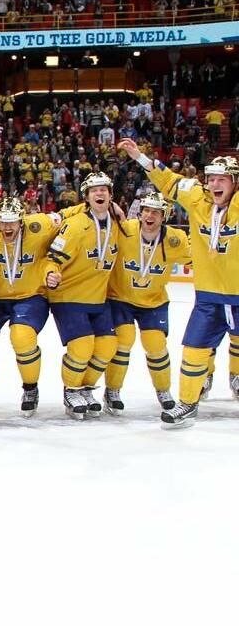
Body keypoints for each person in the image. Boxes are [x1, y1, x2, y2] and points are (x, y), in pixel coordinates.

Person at [119, 139, 239, 427]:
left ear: (234, 182)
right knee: (193, 349)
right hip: (209, 297)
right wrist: (140, 157)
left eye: (222, 179)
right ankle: (187, 403)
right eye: (211, 179)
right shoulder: (197, 198)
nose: (214, 184)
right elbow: (169, 180)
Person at [0, 197, 62, 416]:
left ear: (22, 221)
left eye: (12, 222)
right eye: (3, 222)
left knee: (22, 337)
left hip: (30, 296)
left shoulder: (40, 225)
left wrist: (114, 210)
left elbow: (70, 217)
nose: (7, 227)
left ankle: (30, 389)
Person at [43, 172, 124, 420]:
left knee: (109, 345)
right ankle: (71, 389)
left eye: (104, 190)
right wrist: (50, 274)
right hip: (69, 297)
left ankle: (87, 388)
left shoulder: (118, 225)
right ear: (86, 197)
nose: (99, 194)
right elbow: (52, 258)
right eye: (94, 191)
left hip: (98, 299)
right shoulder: (76, 225)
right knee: (82, 346)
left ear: (111, 195)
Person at [102, 191, 191, 414]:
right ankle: (112, 390)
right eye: (147, 211)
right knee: (123, 342)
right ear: (140, 214)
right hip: (121, 298)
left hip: (154, 301)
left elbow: (198, 258)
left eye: (156, 212)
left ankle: (163, 390)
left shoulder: (175, 239)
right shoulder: (124, 231)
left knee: (156, 345)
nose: (150, 216)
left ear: (164, 216)